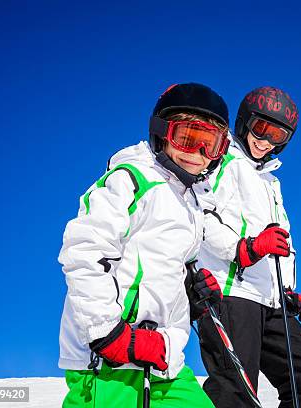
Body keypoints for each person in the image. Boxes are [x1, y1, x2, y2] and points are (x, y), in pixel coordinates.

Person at [58, 83, 228, 407]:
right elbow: (85, 252)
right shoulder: (131, 180)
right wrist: (108, 334)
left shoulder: (192, 204)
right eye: (187, 138)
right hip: (109, 362)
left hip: (163, 357)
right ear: (162, 132)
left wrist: (192, 290)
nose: (197, 154)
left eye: (210, 144)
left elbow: (165, 268)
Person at [196, 86, 301, 407]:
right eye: (261, 129)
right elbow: (200, 214)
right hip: (230, 293)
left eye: (277, 136)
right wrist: (245, 248)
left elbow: (281, 240)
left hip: (270, 302)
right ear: (245, 121)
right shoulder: (221, 160)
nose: (266, 141)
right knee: (235, 390)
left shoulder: (270, 181)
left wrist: (286, 289)